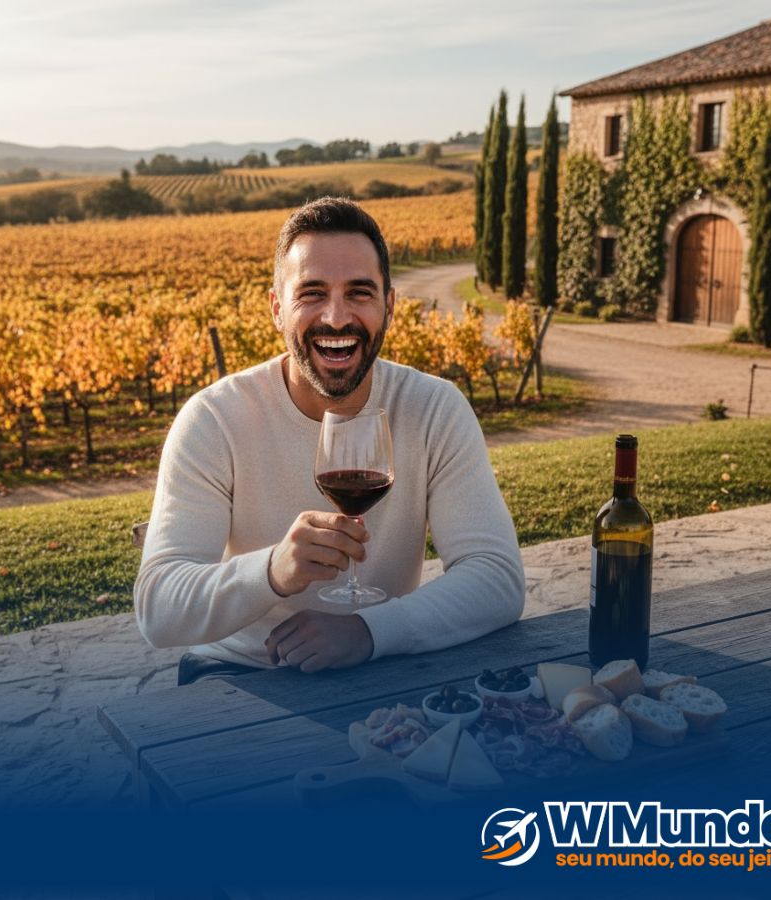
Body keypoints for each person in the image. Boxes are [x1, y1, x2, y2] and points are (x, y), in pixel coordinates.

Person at [134, 197, 524, 683]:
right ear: (277, 309)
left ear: (389, 306)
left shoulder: (434, 409)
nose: (337, 318)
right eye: (312, 293)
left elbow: (497, 578)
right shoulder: (213, 419)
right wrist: (273, 570)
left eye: (359, 292)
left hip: (380, 662)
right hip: (241, 675)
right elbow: (159, 608)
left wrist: (369, 631)